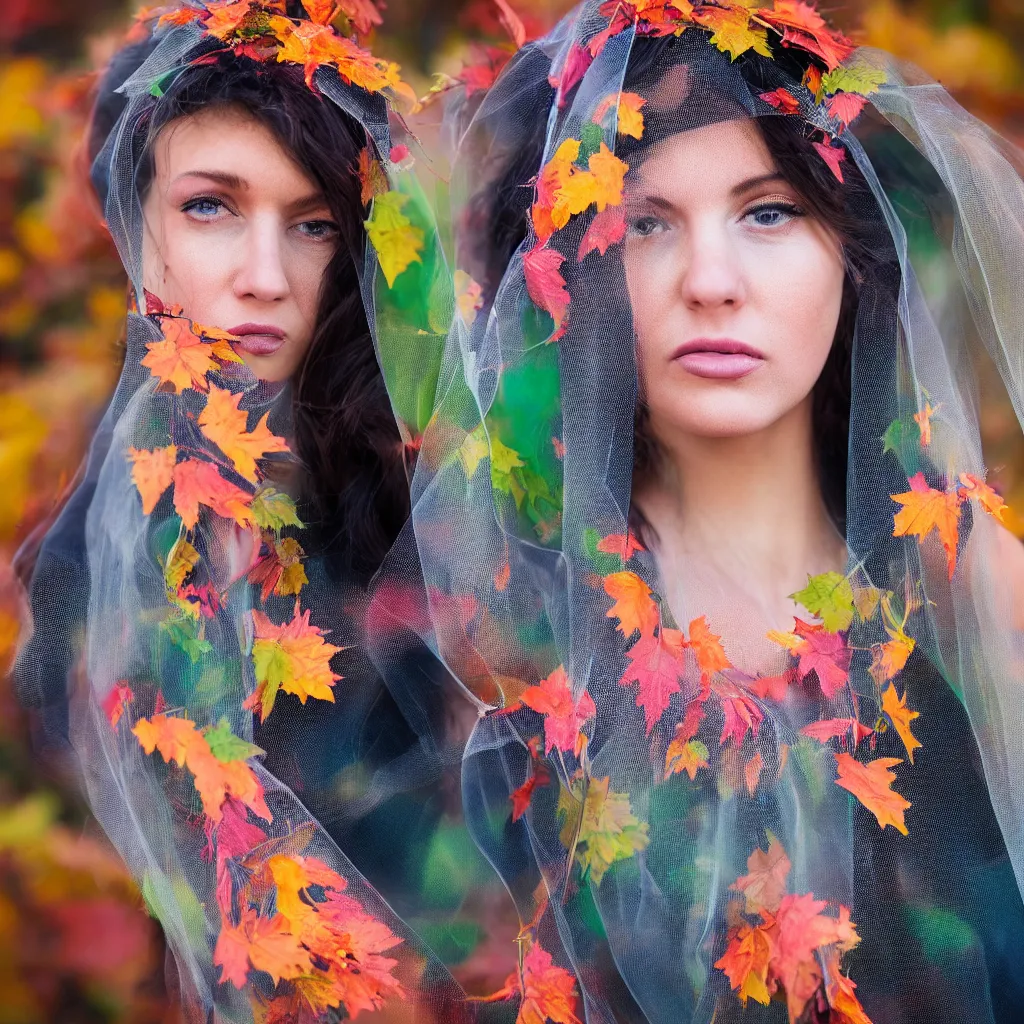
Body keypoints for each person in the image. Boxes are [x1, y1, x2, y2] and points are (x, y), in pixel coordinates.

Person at [380, 1, 1024, 1020]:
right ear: (565, 280)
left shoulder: (977, 594)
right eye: (643, 223)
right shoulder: (497, 625)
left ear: (854, 252)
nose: (710, 282)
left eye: (768, 212)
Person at [16, 2, 516, 1020]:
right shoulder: (70, 581)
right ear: (136, 225)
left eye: (312, 223)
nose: (263, 278)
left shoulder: (422, 523)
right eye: (210, 206)